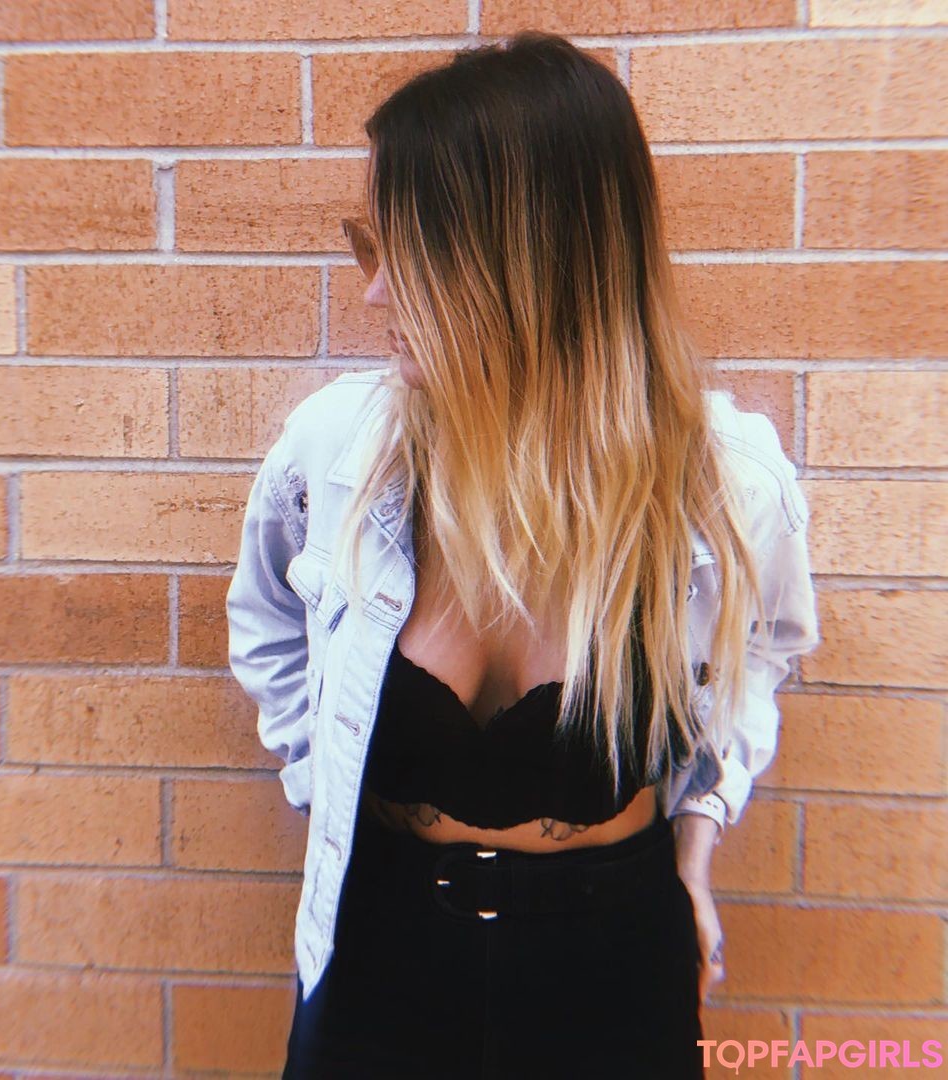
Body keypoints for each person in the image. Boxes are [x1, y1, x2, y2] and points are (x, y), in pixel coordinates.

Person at [226, 30, 819, 1080]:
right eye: (370, 246)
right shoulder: (338, 454)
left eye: (406, 252)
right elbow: (268, 622)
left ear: (522, 268)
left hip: (613, 966)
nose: (372, 293)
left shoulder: (721, 484)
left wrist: (698, 837)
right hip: (376, 953)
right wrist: (326, 781)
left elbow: (758, 653)